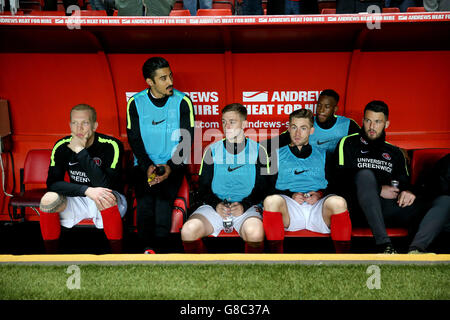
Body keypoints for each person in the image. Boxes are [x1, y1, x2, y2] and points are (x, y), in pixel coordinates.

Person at [333, 100, 424, 253]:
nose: (372, 127)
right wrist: (377, 189)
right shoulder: (348, 143)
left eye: (377, 122)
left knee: (423, 205)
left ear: (386, 124)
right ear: (362, 121)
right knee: (365, 175)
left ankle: (415, 251)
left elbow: (403, 182)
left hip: (385, 208)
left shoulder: (394, 152)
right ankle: (384, 245)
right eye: (368, 121)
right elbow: (339, 180)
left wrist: (407, 192)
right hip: (356, 207)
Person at [127, 57, 195, 254]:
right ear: (150, 82)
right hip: (144, 165)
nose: (170, 82)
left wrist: (169, 167)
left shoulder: (183, 101)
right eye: (163, 78)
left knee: (163, 198)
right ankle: (146, 249)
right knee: (146, 199)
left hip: (173, 164)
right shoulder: (135, 102)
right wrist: (147, 165)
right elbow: (134, 138)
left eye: (170, 76)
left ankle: (162, 249)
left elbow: (186, 139)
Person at [181, 103, 269, 253]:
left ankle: (253, 271)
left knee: (255, 232)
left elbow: (264, 189)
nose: (226, 126)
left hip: (246, 208)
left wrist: (244, 205)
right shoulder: (211, 151)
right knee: (188, 230)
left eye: (232, 122)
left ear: (244, 124)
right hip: (216, 207)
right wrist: (216, 204)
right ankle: (200, 271)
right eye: (223, 121)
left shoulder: (259, 151)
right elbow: (203, 188)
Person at [38, 104, 126, 254]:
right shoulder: (61, 145)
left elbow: (106, 184)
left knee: (104, 196)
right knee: (48, 199)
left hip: (111, 199)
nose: (79, 129)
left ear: (94, 125)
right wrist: (86, 190)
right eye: (74, 123)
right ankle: (50, 257)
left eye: (85, 123)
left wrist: (80, 151)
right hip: (79, 197)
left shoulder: (111, 145)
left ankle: (117, 255)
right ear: (69, 124)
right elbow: (52, 184)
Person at [262, 109, 352, 253]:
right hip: (290, 207)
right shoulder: (274, 155)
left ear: (311, 130)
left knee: (338, 202)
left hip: (318, 207)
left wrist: (320, 194)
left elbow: (337, 186)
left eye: (303, 128)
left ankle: (343, 259)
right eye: (294, 127)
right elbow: (266, 188)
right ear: (288, 128)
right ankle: (276, 258)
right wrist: (290, 195)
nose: (298, 133)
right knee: (271, 201)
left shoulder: (325, 155)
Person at [272, 89, 360, 155]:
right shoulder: (307, 122)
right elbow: (281, 140)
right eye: (319, 105)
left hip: (337, 171)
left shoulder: (347, 125)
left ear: (335, 109)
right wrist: (259, 147)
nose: (321, 110)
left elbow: (363, 145)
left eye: (327, 107)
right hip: (312, 169)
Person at [408, 153, 450, 253]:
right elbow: (441, 190)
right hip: (436, 210)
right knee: (446, 201)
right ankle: (416, 249)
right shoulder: (447, 162)